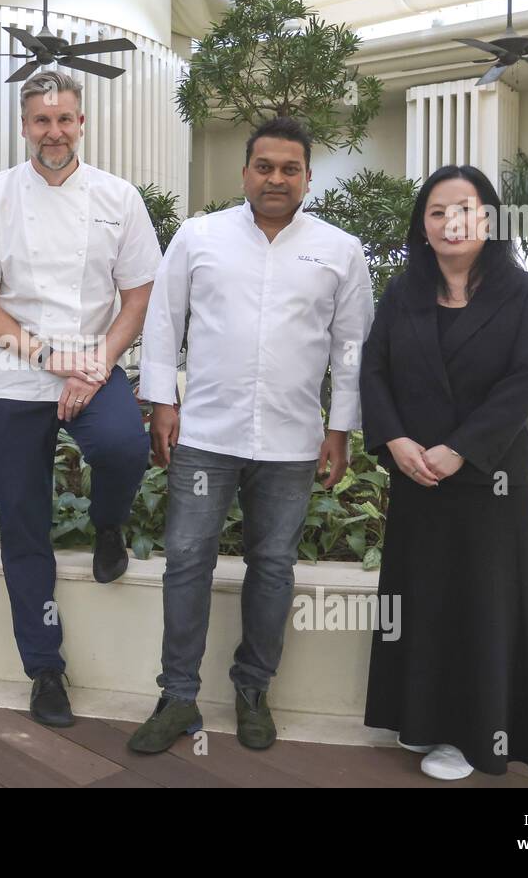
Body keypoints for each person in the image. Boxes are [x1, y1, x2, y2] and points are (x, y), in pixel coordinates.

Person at [129, 116, 374, 753]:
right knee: (186, 562)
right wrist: (161, 402)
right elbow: (163, 321)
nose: (276, 178)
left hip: (293, 440)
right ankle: (178, 696)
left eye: (289, 168)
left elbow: (351, 348)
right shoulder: (198, 236)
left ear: (308, 178)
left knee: (272, 567)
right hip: (207, 432)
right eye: (264, 166)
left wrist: (340, 427)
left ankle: (252, 689)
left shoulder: (339, 249)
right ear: (244, 173)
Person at [0, 70, 160, 727]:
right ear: (23, 126)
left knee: (125, 449)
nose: (54, 132)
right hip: (19, 376)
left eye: (65, 119)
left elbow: (139, 296)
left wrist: (94, 363)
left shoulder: (118, 197)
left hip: (94, 368)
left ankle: (107, 522)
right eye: (42, 121)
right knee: (23, 520)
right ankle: (45, 669)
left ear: (81, 122)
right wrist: (47, 355)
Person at [360, 164, 528, 780]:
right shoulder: (403, 293)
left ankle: (473, 738)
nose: (451, 222)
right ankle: (420, 722)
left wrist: (461, 449)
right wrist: (394, 439)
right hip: (416, 475)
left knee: (480, 606)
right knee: (421, 601)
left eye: (465, 209)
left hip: (487, 481)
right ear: (423, 225)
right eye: (438, 211)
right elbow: (374, 371)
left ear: (490, 219)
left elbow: (523, 385)